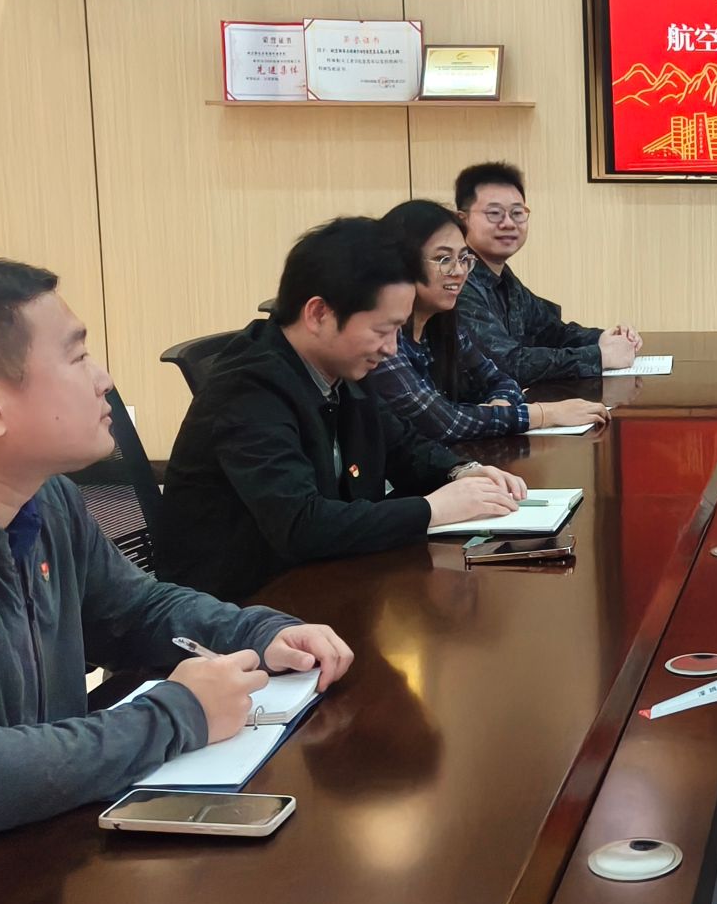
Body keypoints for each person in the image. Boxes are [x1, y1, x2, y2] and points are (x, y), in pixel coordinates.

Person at [0, 260, 354, 848]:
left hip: (32, 846)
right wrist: (180, 713)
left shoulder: (42, 494)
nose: (104, 379)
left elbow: (133, 610)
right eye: (77, 356)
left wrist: (258, 632)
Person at [156, 217, 528, 601]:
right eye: (382, 331)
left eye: (397, 330)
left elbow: (400, 445)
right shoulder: (247, 387)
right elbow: (301, 525)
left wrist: (461, 471)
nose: (391, 349)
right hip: (239, 607)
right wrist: (432, 509)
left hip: (320, 581)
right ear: (319, 314)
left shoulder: (339, 364)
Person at [369, 200, 609, 443]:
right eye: (444, 259)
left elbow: (502, 380)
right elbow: (446, 423)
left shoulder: (444, 323)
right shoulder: (383, 338)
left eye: (464, 258)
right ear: (401, 264)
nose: (459, 271)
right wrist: (544, 414)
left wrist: (500, 408)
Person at [452, 162, 643, 385]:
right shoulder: (458, 281)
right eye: (494, 213)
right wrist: (599, 356)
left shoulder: (502, 278)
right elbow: (507, 364)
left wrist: (604, 338)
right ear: (462, 220)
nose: (508, 223)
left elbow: (550, 331)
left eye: (517, 213)